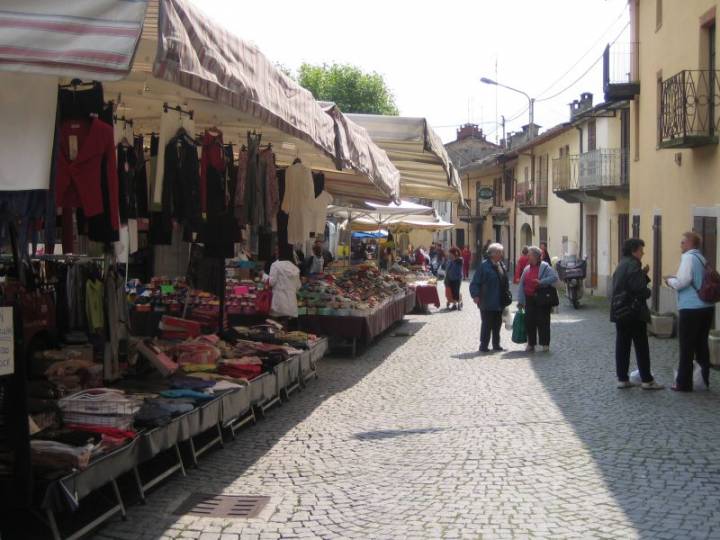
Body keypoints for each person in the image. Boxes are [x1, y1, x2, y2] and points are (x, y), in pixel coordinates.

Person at [612, 238, 664, 390]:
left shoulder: (622, 264)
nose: (643, 253)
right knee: (641, 346)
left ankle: (622, 378)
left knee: (622, 345)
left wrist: (643, 274)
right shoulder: (634, 265)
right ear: (634, 251)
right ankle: (647, 380)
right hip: (633, 311)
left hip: (619, 310)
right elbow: (639, 289)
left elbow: (625, 283)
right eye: (641, 250)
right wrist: (647, 291)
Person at [665, 231, 714, 392]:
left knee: (686, 347)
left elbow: (683, 281)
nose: (681, 245)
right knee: (702, 346)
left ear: (690, 243)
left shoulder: (688, 258)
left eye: (683, 242)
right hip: (706, 307)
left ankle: (683, 383)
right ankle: (703, 380)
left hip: (691, 307)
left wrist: (670, 281)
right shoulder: (702, 258)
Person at [470, 243, 511, 352]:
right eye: (499, 252)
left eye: (501, 252)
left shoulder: (501, 265)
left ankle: (496, 345)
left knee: (497, 324)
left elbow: (505, 281)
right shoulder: (484, 266)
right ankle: (483, 345)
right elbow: (475, 282)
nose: (501, 254)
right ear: (493, 254)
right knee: (487, 324)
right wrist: (475, 295)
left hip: (499, 301)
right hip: (487, 300)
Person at [517, 246, 559, 353]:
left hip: (541, 298)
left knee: (543, 321)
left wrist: (541, 282)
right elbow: (522, 285)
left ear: (535, 256)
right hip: (529, 298)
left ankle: (545, 344)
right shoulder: (527, 268)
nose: (528, 257)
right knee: (529, 321)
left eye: (529, 255)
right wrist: (521, 301)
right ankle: (531, 344)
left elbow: (554, 277)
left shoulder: (545, 267)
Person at [269, 246, 302, 319]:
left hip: (278, 303)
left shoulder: (275, 265)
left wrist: (264, 277)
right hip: (291, 304)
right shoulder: (295, 268)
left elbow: (271, 282)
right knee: (286, 325)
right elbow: (298, 286)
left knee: (276, 326)